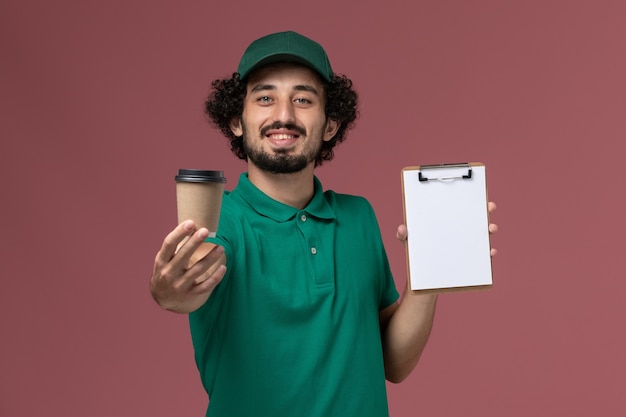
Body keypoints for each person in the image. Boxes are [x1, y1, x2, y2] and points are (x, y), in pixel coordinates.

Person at [151, 31, 498, 417]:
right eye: (265, 98)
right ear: (237, 120)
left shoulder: (358, 217)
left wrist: (427, 276)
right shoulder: (221, 218)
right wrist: (168, 288)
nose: (283, 114)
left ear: (330, 125)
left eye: (303, 99)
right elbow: (182, 289)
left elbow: (393, 364)